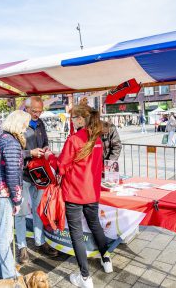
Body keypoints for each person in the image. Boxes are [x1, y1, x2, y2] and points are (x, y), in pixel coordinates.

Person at [46, 105, 113, 288]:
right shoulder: (96, 138)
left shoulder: (75, 139)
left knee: (76, 233)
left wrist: (50, 155)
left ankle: (85, 277)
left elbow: (61, 167)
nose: (72, 121)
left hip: (74, 193)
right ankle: (106, 260)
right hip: (92, 192)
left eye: (74, 118)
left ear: (81, 119)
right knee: (95, 225)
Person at [0, 110, 31, 279]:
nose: (25, 129)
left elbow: (9, 160)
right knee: (5, 238)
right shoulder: (12, 142)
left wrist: (27, 154)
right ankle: (8, 275)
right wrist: (17, 200)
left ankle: (3, 271)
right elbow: (12, 174)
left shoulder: (3, 138)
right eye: (24, 126)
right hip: (4, 193)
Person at [15, 96, 58, 264]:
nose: (37, 114)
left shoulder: (40, 123)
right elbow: (13, 152)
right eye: (34, 111)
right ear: (26, 108)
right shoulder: (18, 125)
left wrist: (46, 148)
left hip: (39, 174)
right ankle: (22, 247)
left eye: (40, 111)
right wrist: (30, 153)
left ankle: (40, 242)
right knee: (21, 212)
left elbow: (45, 141)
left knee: (38, 210)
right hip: (24, 175)